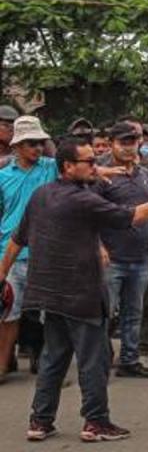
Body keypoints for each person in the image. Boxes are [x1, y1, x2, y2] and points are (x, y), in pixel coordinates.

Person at [0, 137, 148, 442]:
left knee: (54, 359)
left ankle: (40, 421)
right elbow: (131, 216)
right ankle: (96, 422)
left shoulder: (43, 194)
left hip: (51, 294)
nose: (97, 166)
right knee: (93, 361)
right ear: (68, 166)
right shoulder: (82, 200)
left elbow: (18, 239)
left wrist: (1, 273)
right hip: (81, 294)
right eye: (90, 162)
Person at [95, 122, 148, 379]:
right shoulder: (102, 175)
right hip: (111, 257)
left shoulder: (145, 173)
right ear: (112, 143)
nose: (128, 148)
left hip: (139, 255)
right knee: (104, 314)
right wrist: (98, 246)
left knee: (134, 313)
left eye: (132, 142)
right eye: (123, 142)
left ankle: (130, 359)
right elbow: (90, 214)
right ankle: (99, 361)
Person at [0, 116, 59, 383]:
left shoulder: (51, 168)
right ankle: (2, 365)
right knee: (8, 314)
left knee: (49, 315)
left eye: (40, 143)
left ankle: (48, 368)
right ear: (18, 146)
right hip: (10, 254)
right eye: (31, 143)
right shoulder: (3, 176)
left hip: (47, 253)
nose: (37, 148)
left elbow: (83, 169)